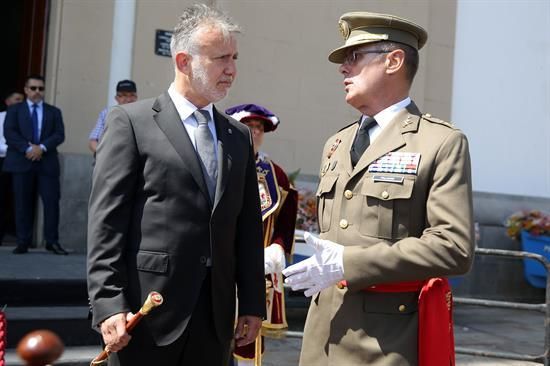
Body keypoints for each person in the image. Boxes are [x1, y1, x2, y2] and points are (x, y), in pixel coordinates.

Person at [283, 11, 474, 366]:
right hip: (321, 340)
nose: (343, 68)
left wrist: (348, 263)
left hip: (385, 346)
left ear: (394, 61)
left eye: (354, 57)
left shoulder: (439, 142)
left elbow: (454, 247)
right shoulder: (337, 143)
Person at [87, 4, 265, 366]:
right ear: (184, 61)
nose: (232, 70)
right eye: (220, 59)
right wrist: (108, 304)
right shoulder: (131, 123)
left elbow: (246, 228)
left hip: (214, 321)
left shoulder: (238, 136)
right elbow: (106, 224)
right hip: (148, 316)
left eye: (234, 58)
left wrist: (251, 303)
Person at [225, 104, 298, 365]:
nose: (255, 132)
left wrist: (277, 247)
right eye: (249, 126)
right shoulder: (220, 164)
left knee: (249, 337)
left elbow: (286, 219)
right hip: (220, 267)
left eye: (259, 128)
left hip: (257, 269)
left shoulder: (275, 174)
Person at [3, 76, 66, 255]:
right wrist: (27, 148)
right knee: (22, 203)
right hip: (22, 162)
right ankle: (23, 241)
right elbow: (9, 132)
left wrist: (42, 148)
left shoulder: (54, 111)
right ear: (26, 89)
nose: (37, 92)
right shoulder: (14, 110)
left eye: (40, 88)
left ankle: (52, 241)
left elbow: (59, 134)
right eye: (33, 88)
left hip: (47, 163)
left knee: (51, 202)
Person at [0, 91, 24, 245]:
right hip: (2, 160)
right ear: (8, 102)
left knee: (18, 198)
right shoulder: (1, 117)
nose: (20, 102)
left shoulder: (25, 118)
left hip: (21, 160)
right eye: (17, 99)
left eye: (22, 100)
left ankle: (17, 233)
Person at [88, 80, 138, 154]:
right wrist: (103, 155)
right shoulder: (106, 113)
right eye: (123, 95)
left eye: (131, 95)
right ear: (116, 98)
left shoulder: (142, 115)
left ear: (136, 97)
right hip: (110, 160)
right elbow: (93, 141)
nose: (128, 99)